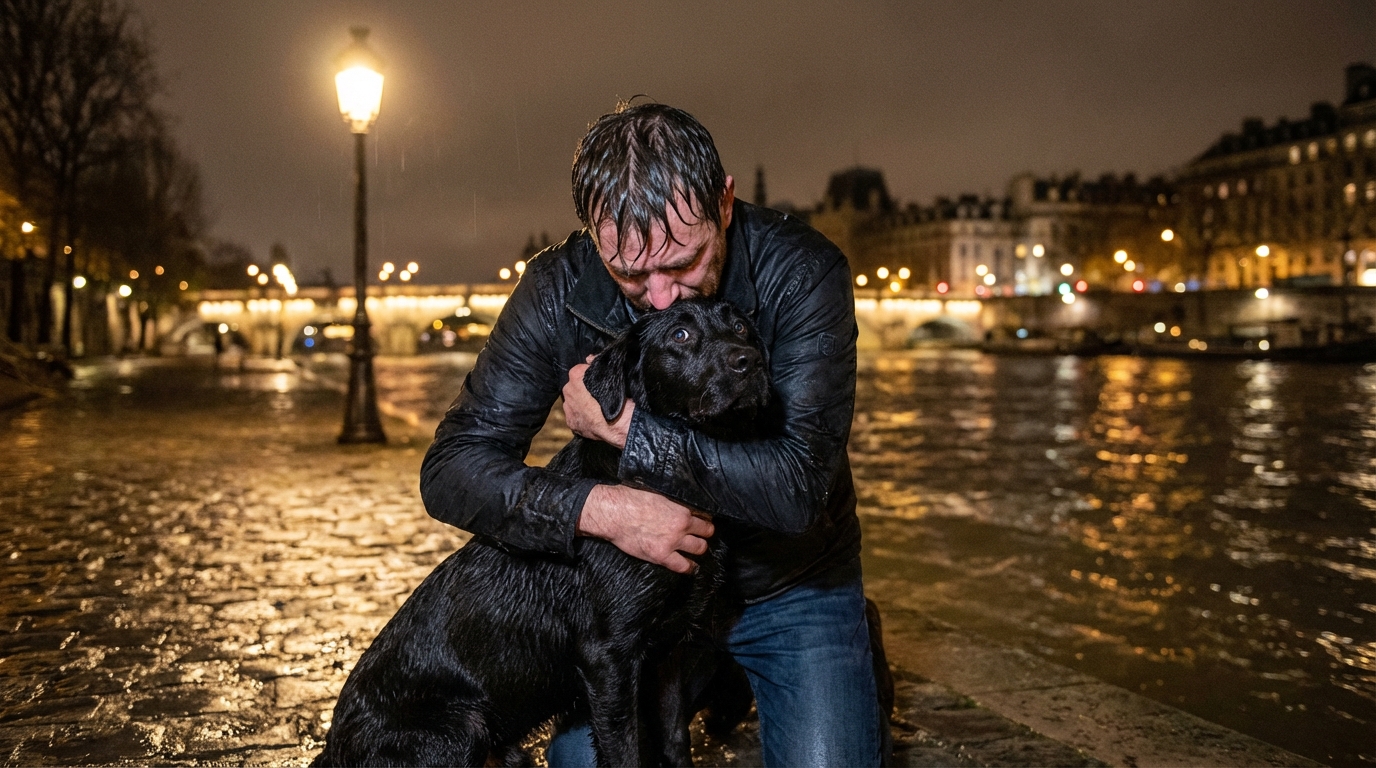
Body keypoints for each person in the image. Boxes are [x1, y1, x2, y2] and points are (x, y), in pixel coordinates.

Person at [419, 101, 883, 767]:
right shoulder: (554, 290)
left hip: (791, 581)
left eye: (685, 261)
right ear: (592, 235)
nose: (664, 297)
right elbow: (453, 467)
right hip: (640, 602)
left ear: (724, 204)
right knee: (584, 762)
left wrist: (628, 432)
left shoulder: (802, 272)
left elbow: (798, 487)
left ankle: (846, 649)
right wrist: (600, 509)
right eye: (631, 273)